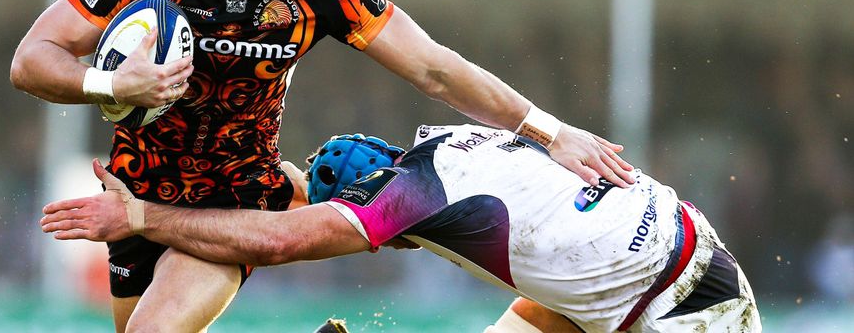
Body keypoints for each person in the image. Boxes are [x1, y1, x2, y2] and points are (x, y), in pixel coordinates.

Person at [12, 0, 634, 331]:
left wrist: (550, 133)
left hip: (236, 199)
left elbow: (435, 68)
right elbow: (31, 60)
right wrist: (111, 85)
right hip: (134, 193)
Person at [41, 124, 761, 332]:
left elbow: (281, 239)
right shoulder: (447, 146)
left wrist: (141, 217)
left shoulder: (410, 196)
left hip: (688, 299)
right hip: (651, 262)